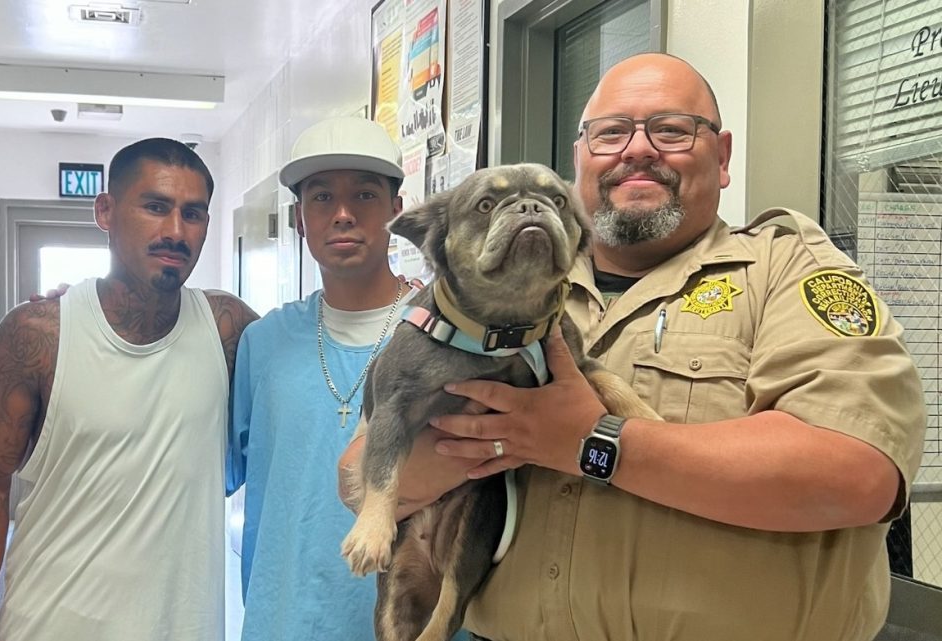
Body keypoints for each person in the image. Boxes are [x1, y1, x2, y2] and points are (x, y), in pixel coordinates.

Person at [341, 53, 927, 641]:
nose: (637, 149)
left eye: (671, 129)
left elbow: (856, 475)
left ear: (721, 157)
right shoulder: (491, 296)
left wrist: (593, 443)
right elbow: (353, 477)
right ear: (580, 162)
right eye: (611, 133)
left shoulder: (787, 269)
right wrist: (477, 445)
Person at [0, 138, 257, 641]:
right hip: (50, 624)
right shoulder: (37, 335)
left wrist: (410, 299)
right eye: (155, 207)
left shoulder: (226, 327)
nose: (175, 231)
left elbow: (310, 352)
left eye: (194, 213)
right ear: (106, 210)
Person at [227, 117, 475, 640]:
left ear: (395, 212)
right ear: (299, 218)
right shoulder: (264, 343)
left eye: (364, 194)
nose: (342, 214)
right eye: (321, 198)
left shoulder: (454, 332)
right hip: (282, 621)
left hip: (420, 624)